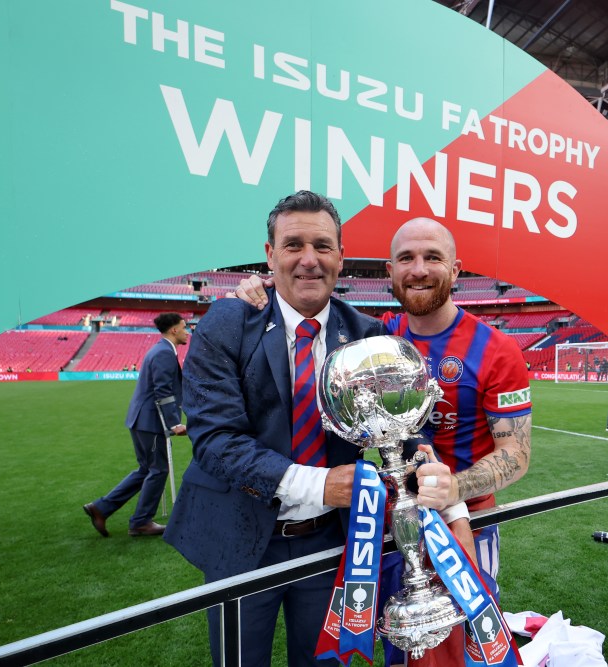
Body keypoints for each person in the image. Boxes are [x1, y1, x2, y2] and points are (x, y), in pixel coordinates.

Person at [163, 193, 461, 667]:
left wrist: (436, 475)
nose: (308, 260)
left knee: (322, 662)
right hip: (239, 536)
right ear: (269, 254)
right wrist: (320, 483)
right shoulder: (228, 321)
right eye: (293, 245)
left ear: (340, 258)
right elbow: (216, 442)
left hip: (330, 542)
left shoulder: (367, 334)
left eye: (322, 246)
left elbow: (401, 434)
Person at [233, 216, 533, 666]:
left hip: (460, 531)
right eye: (406, 258)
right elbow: (299, 299)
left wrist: (455, 490)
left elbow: (517, 454)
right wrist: (257, 289)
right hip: (378, 528)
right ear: (388, 271)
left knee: (460, 656)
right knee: (396, 647)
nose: (418, 269)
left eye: (433, 257)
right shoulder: (374, 335)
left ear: (456, 270)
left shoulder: (496, 349)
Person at [83, 312, 189, 538]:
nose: (186, 330)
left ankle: (101, 508)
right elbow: (163, 391)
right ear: (173, 330)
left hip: (142, 419)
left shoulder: (161, 350)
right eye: (184, 327)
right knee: (158, 469)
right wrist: (174, 423)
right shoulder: (164, 353)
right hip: (150, 421)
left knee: (146, 469)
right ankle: (140, 522)